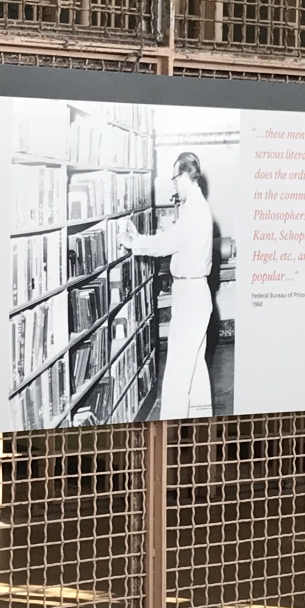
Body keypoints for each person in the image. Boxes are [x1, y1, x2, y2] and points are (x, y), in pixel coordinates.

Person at [120, 152, 215, 420]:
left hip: (190, 296)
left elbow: (168, 243)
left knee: (177, 374)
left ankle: (168, 436)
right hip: (195, 293)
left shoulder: (194, 211)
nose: (174, 186)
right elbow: (174, 239)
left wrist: (135, 243)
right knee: (194, 371)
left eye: (174, 179)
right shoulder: (196, 208)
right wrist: (141, 239)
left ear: (184, 176)